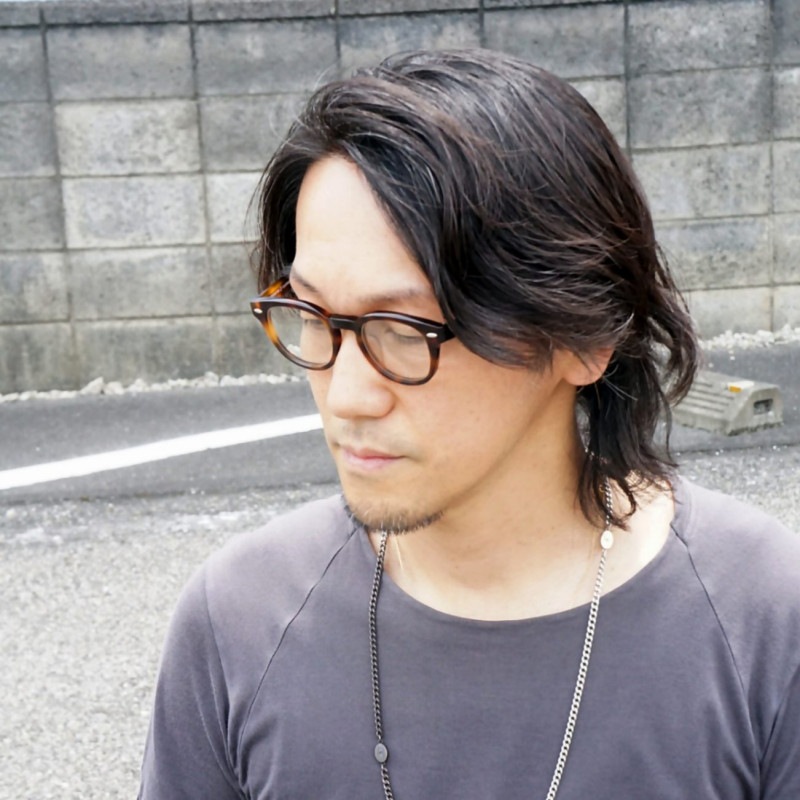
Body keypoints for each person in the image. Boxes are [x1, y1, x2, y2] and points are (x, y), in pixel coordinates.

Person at [139, 49, 800, 799]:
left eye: (405, 329)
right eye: (313, 315)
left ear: (584, 336)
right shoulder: (240, 620)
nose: (347, 395)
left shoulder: (763, 621)